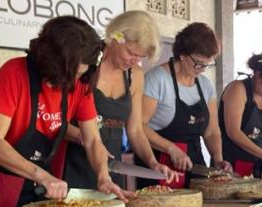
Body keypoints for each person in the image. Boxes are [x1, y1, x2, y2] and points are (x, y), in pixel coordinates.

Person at [0, 16, 127, 207]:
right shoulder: (14, 72)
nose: (74, 81)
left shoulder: (80, 84)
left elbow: (92, 140)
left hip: (39, 184)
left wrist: (103, 177)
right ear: (52, 61)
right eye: (70, 74)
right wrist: (41, 176)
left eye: (80, 74)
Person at [60, 11, 178, 190]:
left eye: (141, 57)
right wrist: (85, 138)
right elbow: (55, 120)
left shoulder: (135, 76)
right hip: (72, 161)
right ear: (116, 38)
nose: (135, 61)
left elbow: (136, 131)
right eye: (131, 53)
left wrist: (152, 162)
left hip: (112, 166)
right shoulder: (86, 65)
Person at [139, 22, 229, 188]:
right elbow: (139, 127)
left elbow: (212, 131)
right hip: (160, 165)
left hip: (195, 165)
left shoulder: (205, 85)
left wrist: (217, 159)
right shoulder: (157, 79)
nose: (202, 69)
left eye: (208, 64)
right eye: (199, 63)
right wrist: (171, 148)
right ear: (182, 54)